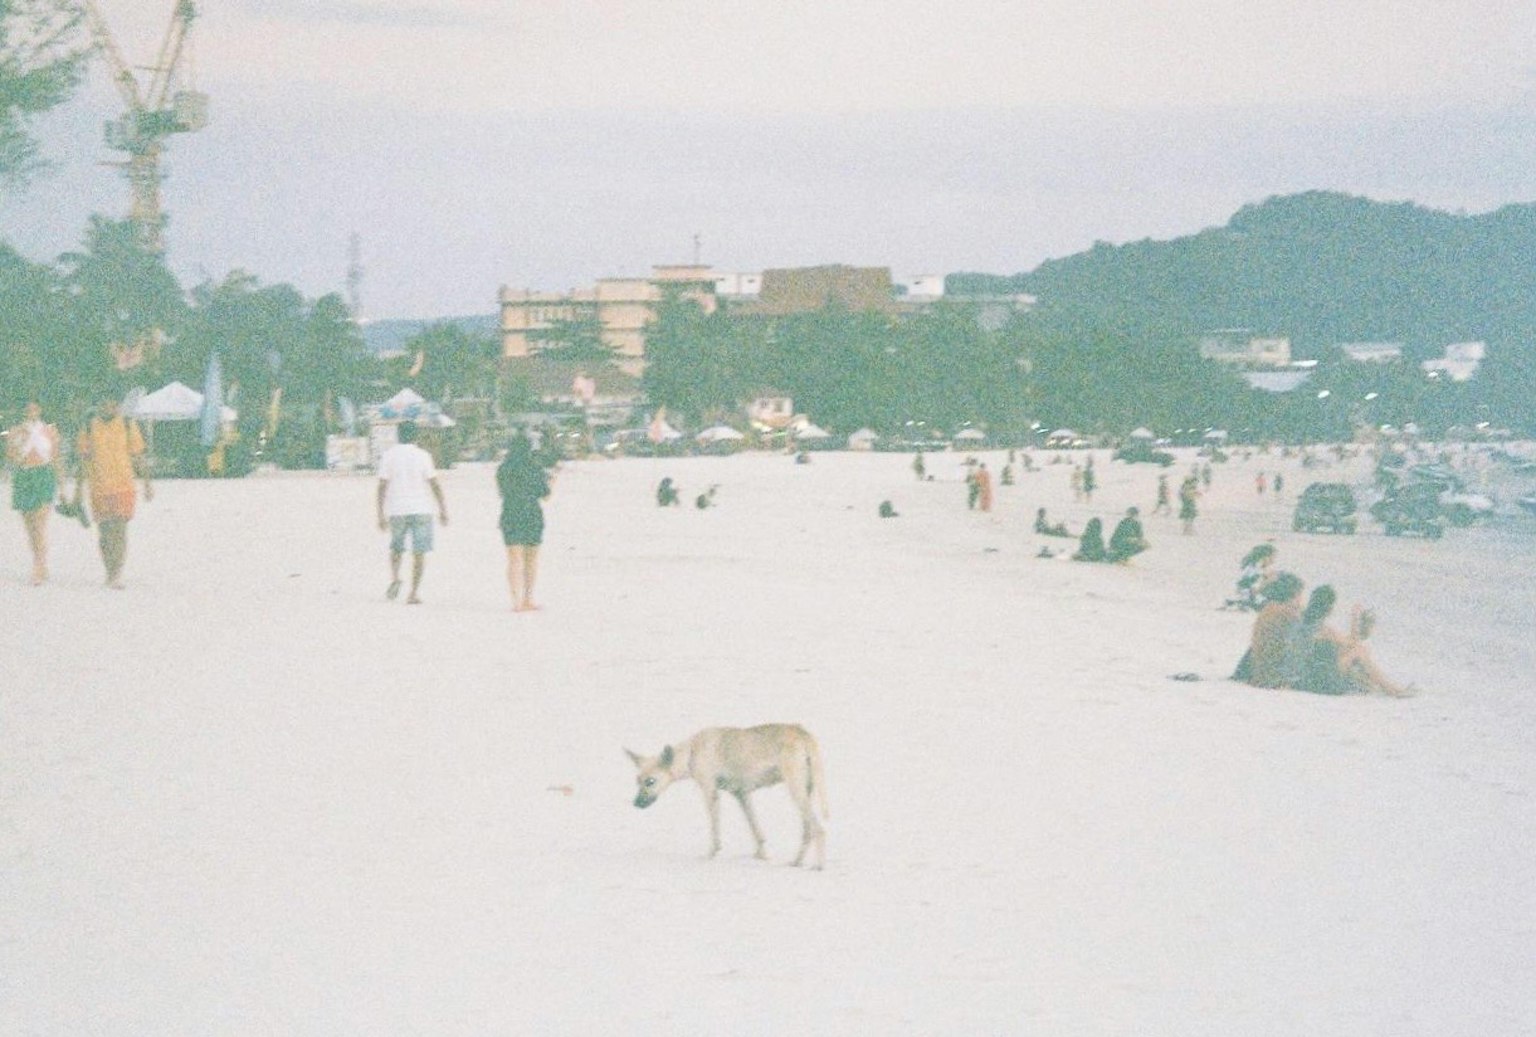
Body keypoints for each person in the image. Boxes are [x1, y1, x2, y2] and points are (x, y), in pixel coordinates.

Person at [73, 394, 153, 589]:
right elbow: (83, 461)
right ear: (99, 405)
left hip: (124, 485)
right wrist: (77, 491)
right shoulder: (89, 427)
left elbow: (138, 456)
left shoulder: (127, 424)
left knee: (119, 530)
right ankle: (109, 569)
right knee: (104, 533)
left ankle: (116, 573)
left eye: (113, 404)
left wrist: (147, 483)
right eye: (105, 403)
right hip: (98, 487)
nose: (109, 407)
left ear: (118, 405)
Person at [1293, 586, 1415, 696]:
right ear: (1329, 609)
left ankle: (1376, 685)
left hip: (1310, 676)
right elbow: (1353, 644)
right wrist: (1355, 619)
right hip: (1322, 683)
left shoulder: (1304, 621)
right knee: (1359, 651)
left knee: (1357, 652)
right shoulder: (1323, 630)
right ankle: (1391, 689)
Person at [375, 421, 448, 605]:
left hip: (397, 509)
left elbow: (382, 486)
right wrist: (443, 509)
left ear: (398, 435)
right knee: (419, 552)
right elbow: (434, 484)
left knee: (397, 547)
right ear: (416, 436)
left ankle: (395, 577)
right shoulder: (423, 456)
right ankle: (413, 593)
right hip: (421, 508)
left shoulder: (388, 456)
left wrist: (380, 514)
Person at [7, 401, 65, 585]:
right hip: (25, 476)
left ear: (40, 410)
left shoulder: (50, 431)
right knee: (30, 525)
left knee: (40, 522)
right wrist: (20, 445)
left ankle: (38, 566)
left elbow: (56, 458)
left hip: (44, 475)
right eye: (28, 408)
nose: (31, 411)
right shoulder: (15, 431)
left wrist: (62, 486)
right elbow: (10, 455)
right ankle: (40, 560)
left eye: (34, 408)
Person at [496, 434, 551, 612]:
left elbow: (502, 493)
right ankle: (528, 599)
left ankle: (515, 601)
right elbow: (546, 495)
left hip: (510, 513)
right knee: (531, 560)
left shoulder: (503, 469)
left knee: (514, 559)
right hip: (532, 514)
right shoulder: (535, 468)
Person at [1232, 572, 1305, 687]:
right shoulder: (1288, 613)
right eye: (1300, 594)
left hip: (1259, 669)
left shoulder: (1268, 609)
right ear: (1294, 594)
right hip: (1273, 675)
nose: (1302, 599)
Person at [1226, 543, 1277, 610]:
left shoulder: (1253, 567)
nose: (1273, 561)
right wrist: (1267, 581)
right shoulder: (1256, 570)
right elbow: (1253, 589)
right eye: (1271, 558)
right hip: (1250, 597)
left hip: (1247, 595)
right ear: (1264, 557)